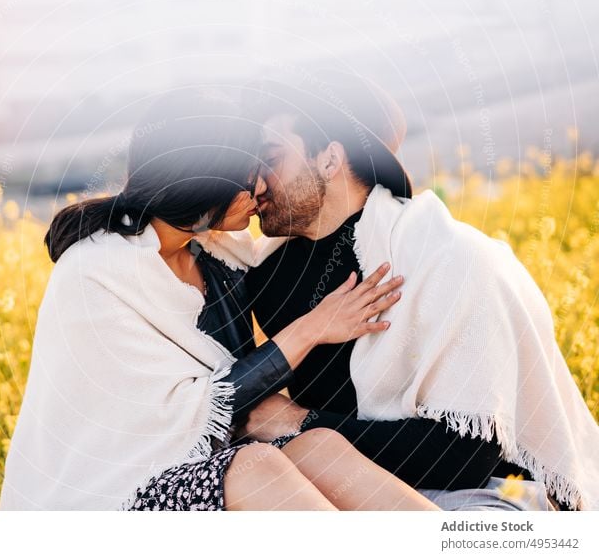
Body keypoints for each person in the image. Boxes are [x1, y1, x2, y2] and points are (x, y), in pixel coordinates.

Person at [0, 87, 440, 511]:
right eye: (249, 178)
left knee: (320, 445)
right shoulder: (95, 273)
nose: (262, 189)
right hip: (112, 492)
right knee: (255, 464)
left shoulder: (215, 253)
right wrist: (313, 329)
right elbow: (181, 413)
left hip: (204, 460)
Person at [222, 74, 599, 511]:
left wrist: (296, 421)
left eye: (271, 158)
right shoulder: (267, 274)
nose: (256, 180)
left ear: (329, 159)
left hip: (485, 495)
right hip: (348, 488)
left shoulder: (449, 259)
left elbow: (464, 457)